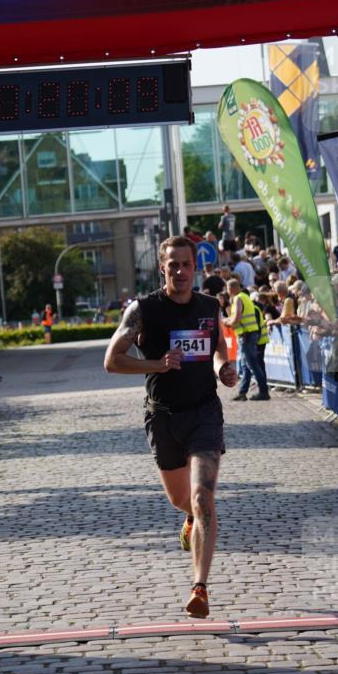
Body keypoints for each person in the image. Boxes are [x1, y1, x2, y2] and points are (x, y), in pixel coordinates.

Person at [104, 235, 238, 619]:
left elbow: (217, 349)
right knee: (182, 500)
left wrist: (223, 370)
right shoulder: (143, 310)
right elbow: (112, 360)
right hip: (162, 415)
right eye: (173, 264)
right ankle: (189, 517)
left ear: (196, 267)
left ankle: (200, 587)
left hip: (204, 412)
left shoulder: (209, 306)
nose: (180, 271)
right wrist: (157, 365)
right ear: (162, 268)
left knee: (203, 496)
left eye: (186, 264)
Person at [223, 278, 270, 401]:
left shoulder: (238, 298)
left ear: (231, 288)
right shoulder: (245, 297)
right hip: (248, 334)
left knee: (252, 364)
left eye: (228, 289)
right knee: (246, 365)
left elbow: (236, 318)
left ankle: (264, 392)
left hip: (246, 334)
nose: (227, 291)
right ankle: (242, 392)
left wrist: (226, 322)